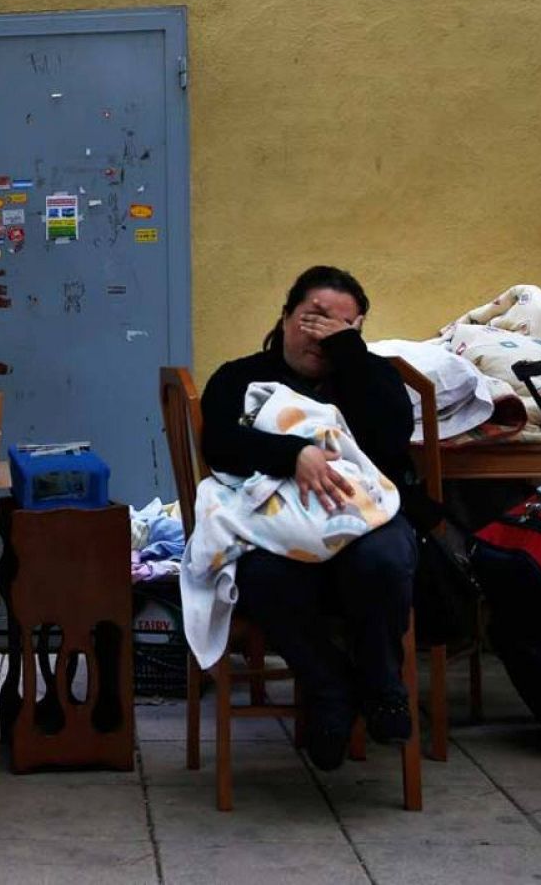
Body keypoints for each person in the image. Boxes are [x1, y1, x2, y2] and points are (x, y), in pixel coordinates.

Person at [199, 265, 440, 771]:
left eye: (342, 327)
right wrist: (293, 454)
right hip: (277, 529)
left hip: (365, 524)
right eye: (313, 318)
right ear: (285, 317)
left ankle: (382, 682)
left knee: (385, 558)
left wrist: (350, 356)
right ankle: (329, 686)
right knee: (260, 575)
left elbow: (390, 442)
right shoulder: (240, 377)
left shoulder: (367, 379)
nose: (323, 334)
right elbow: (219, 444)